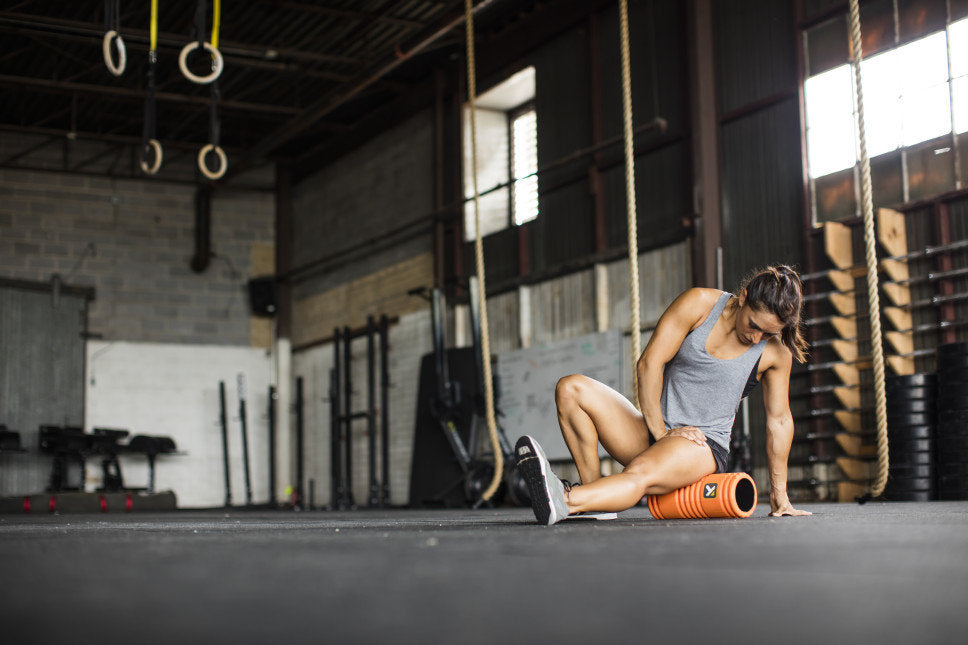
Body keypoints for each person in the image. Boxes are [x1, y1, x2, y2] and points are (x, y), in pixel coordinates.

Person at [515, 265, 812, 524]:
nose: (756, 338)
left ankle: (567, 500)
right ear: (744, 296)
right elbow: (649, 363)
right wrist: (660, 431)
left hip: (701, 446)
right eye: (754, 325)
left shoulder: (776, 352)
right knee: (570, 388)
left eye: (768, 333)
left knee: (639, 471)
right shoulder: (699, 304)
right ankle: (595, 499)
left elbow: (780, 421)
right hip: (655, 429)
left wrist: (779, 494)